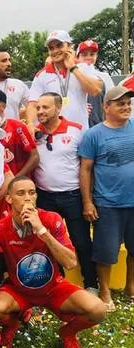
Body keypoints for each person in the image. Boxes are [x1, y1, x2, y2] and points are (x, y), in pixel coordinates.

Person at [0, 176, 107, 348]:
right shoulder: (2, 227)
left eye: (32, 193)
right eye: (21, 193)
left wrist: (42, 231)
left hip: (52, 287)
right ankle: (12, 324)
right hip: (19, 290)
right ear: (9, 199)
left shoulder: (50, 219)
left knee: (98, 310)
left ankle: (67, 333)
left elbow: (71, 262)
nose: (28, 198)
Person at [34, 92, 97, 292]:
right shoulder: (34, 133)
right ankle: (56, 283)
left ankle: (91, 283)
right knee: (47, 242)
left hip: (72, 196)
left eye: (45, 107)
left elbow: (87, 167)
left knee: (82, 241)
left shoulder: (77, 131)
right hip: (44, 196)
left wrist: (88, 201)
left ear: (59, 109)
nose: (40, 111)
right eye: (38, 107)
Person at [79, 86, 134, 310]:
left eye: (129, 103)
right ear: (106, 107)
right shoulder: (94, 135)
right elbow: (85, 170)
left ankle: (131, 287)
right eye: (120, 103)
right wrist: (87, 201)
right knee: (106, 252)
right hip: (108, 203)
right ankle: (105, 290)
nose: (126, 107)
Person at [26, 30, 102, 133]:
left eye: (59, 46)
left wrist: (73, 68)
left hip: (80, 133)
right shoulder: (42, 75)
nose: (55, 51)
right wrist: (30, 123)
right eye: (51, 48)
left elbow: (96, 90)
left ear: (70, 47)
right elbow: (33, 104)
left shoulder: (83, 68)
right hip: (53, 136)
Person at [0, 89, 39, 178]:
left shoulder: (17, 127)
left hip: (19, 186)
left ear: (3, 106)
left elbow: (34, 157)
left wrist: (15, 180)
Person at [76, 39, 115, 128]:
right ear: (77, 57)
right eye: (84, 54)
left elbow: (112, 101)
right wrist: (80, 107)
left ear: (96, 56)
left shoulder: (104, 77)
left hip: (99, 127)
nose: (89, 57)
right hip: (76, 128)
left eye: (92, 54)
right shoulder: (71, 77)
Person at [0, 49, 30, 120]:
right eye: (4, 61)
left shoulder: (19, 84)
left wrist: (28, 124)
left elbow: (32, 107)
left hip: (13, 130)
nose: (9, 64)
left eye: (9, 60)